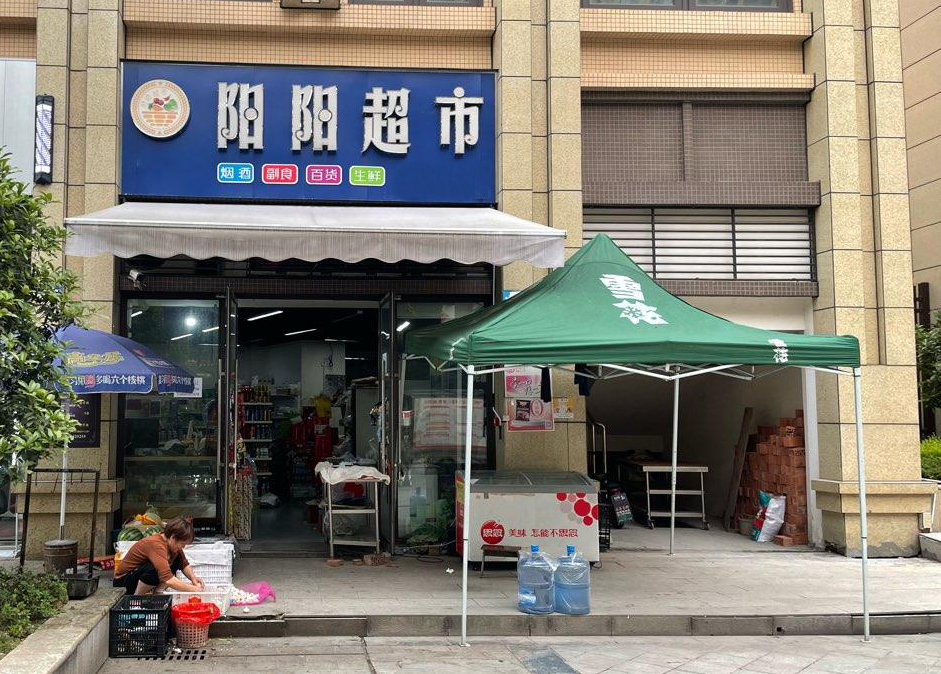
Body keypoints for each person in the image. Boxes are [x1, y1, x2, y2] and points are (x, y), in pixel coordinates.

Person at [114, 516, 204, 595]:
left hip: (137, 576)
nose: (182, 547)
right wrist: (193, 589)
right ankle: (137, 597)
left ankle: (158, 593)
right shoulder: (156, 545)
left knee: (175, 560)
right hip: (124, 582)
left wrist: (193, 578)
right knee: (157, 569)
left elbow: (184, 564)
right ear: (173, 537)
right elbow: (168, 579)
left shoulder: (172, 546)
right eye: (182, 544)